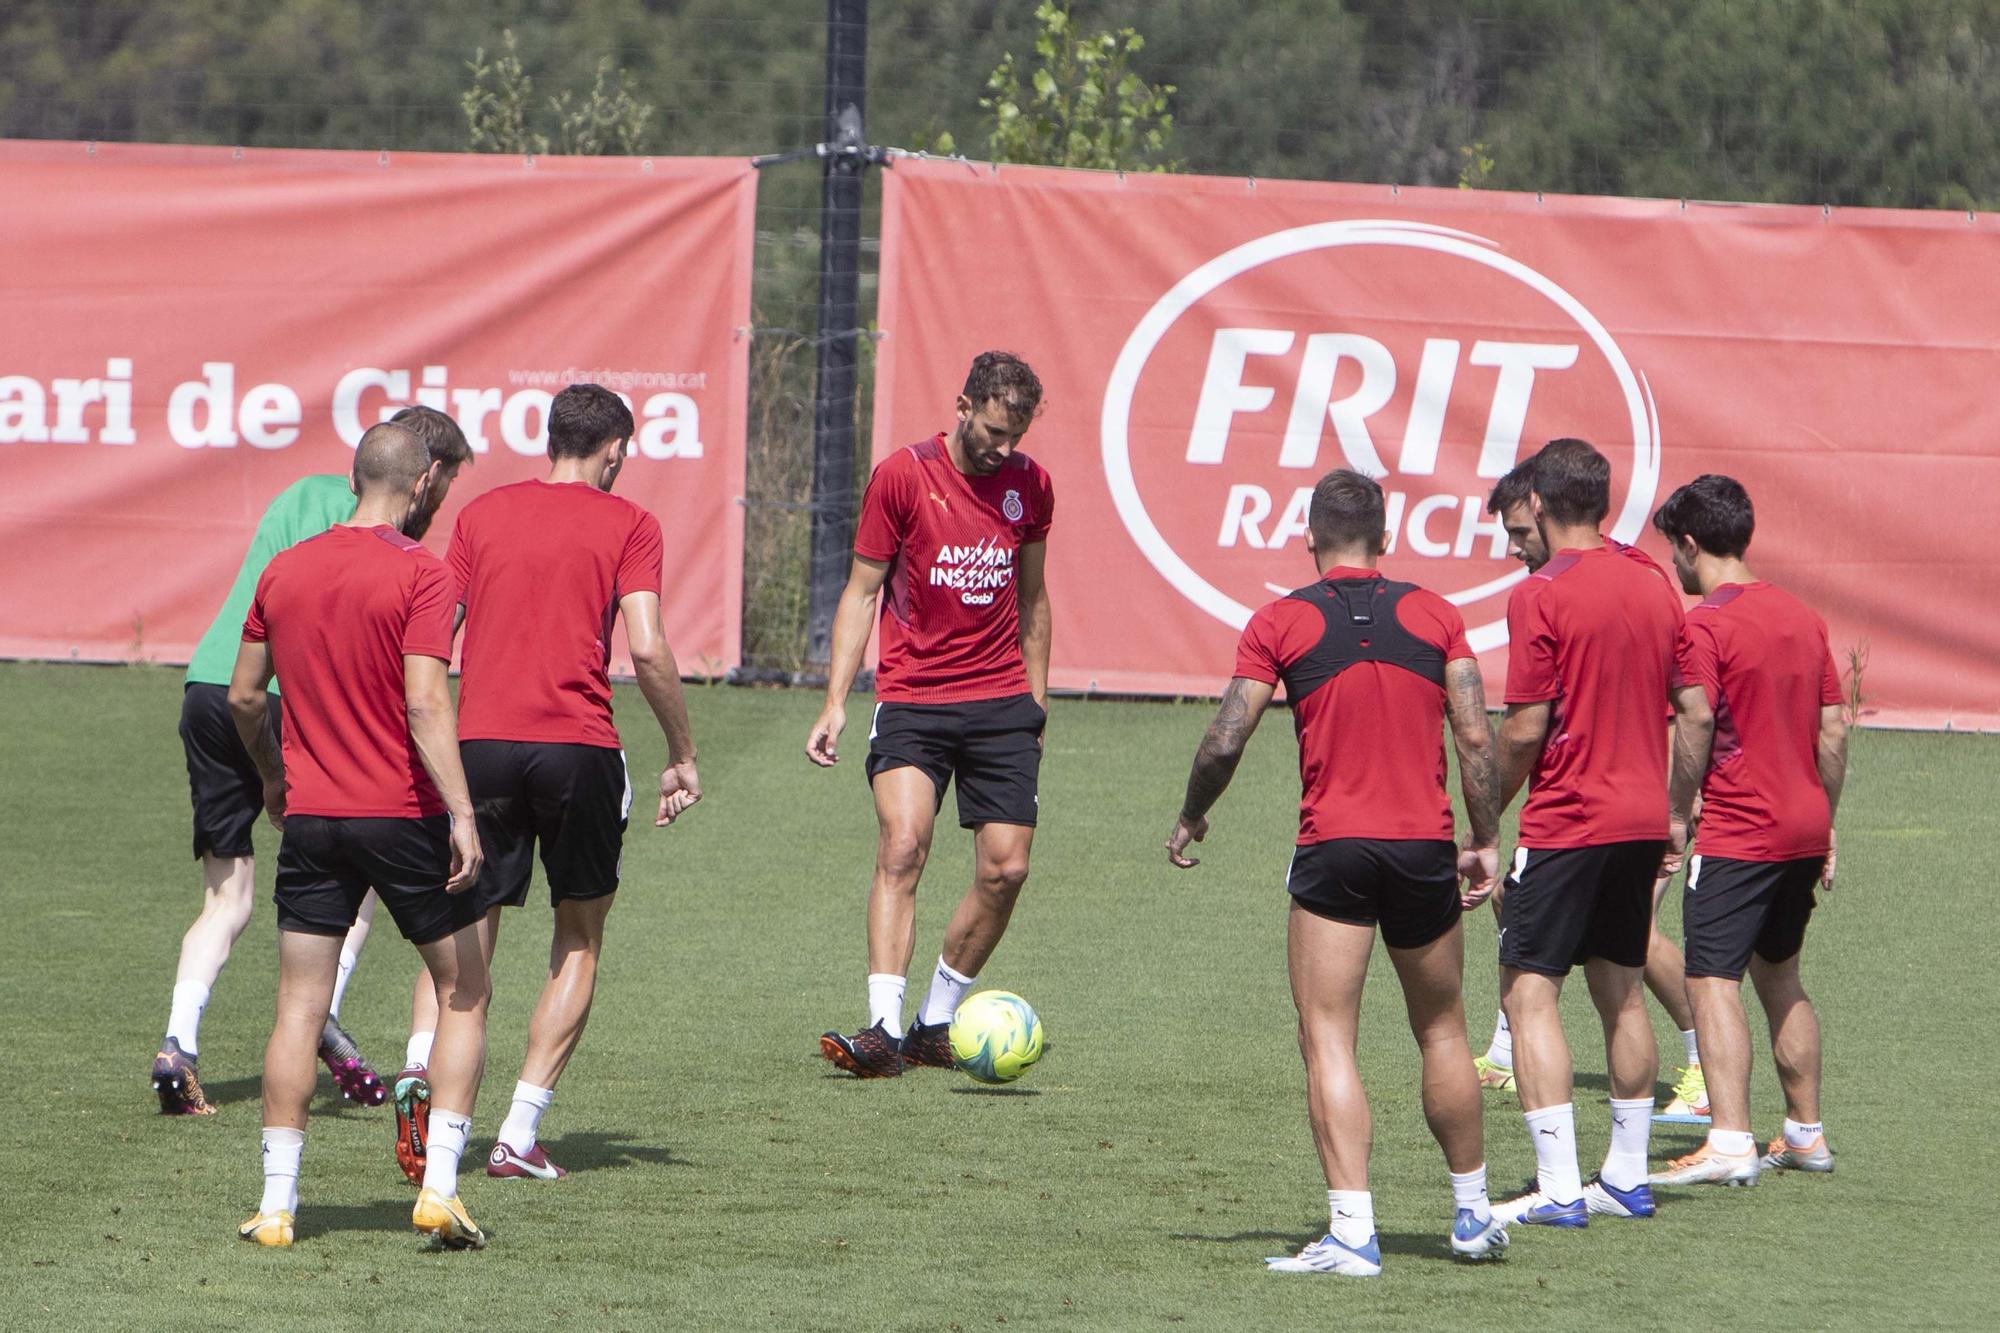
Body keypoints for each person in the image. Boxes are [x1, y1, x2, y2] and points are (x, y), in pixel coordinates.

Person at [1165, 468, 1510, 1276]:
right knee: (1444, 1029)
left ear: (1310, 538)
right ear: (1384, 540)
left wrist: (1192, 813)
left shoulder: (1279, 621)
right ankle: (1471, 1213)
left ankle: (1354, 1232)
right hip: (1425, 846)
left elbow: (1224, 737)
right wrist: (1485, 836)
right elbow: (1474, 738)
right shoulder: (1437, 615)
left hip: (1336, 852)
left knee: (1327, 1036)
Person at [392, 383, 701, 1186]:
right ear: (616, 450)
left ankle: (423, 1074)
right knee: (579, 936)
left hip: (481, 745)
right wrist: (681, 749)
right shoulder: (631, 522)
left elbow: (434, 631)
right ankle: (517, 1132)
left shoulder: (483, 514)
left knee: (465, 938)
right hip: (577, 748)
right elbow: (649, 644)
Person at [153, 405, 471, 1115]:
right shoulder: (380, 534)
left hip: (209, 687)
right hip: (284, 696)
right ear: (426, 476)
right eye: (442, 488)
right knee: (349, 867)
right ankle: (320, 1007)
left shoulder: (302, 492)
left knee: (227, 896)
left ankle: (180, 1038)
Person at [227, 422, 492, 1249]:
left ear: (353, 477)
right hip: (400, 814)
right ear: (420, 487)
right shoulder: (421, 571)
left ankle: (277, 1205)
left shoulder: (286, 566)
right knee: (465, 988)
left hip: (311, 819)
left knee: (299, 1006)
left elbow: (242, 698)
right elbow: (425, 703)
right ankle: (441, 1187)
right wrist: (463, 811)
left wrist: (273, 777)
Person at [808, 351, 1054, 1077]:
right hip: (914, 696)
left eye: (1016, 435)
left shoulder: (1031, 485)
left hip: (1002, 699)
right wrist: (834, 701)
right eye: (994, 430)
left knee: (1007, 869)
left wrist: (1035, 703)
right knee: (903, 844)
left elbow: (1034, 600)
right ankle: (882, 1030)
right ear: (962, 405)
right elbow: (861, 593)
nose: (1004, 448)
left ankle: (934, 1021)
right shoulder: (902, 476)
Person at [1488, 438, 1705, 1228]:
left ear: (1538, 504)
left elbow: (1521, 730)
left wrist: (1483, 817)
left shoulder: (1540, 593)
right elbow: (1697, 710)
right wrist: (1676, 809)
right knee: (1620, 991)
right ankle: (1622, 1176)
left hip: (1568, 819)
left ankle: (1556, 1186)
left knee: (1529, 990)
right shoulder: (1652, 577)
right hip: (1642, 819)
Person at [1645, 476, 1845, 1188]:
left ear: (1692, 544)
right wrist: (1826, 821)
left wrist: (1676, 811)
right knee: (1780, 973)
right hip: (1801, 822)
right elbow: (1833, 728)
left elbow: (1695, 720)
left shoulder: (1704, 625)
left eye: (1673, 549)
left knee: (1711, 979)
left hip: (1740, 829)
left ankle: (1728, 1139)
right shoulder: (1803, 616)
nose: (1672, 563)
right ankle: (1804, 1133)